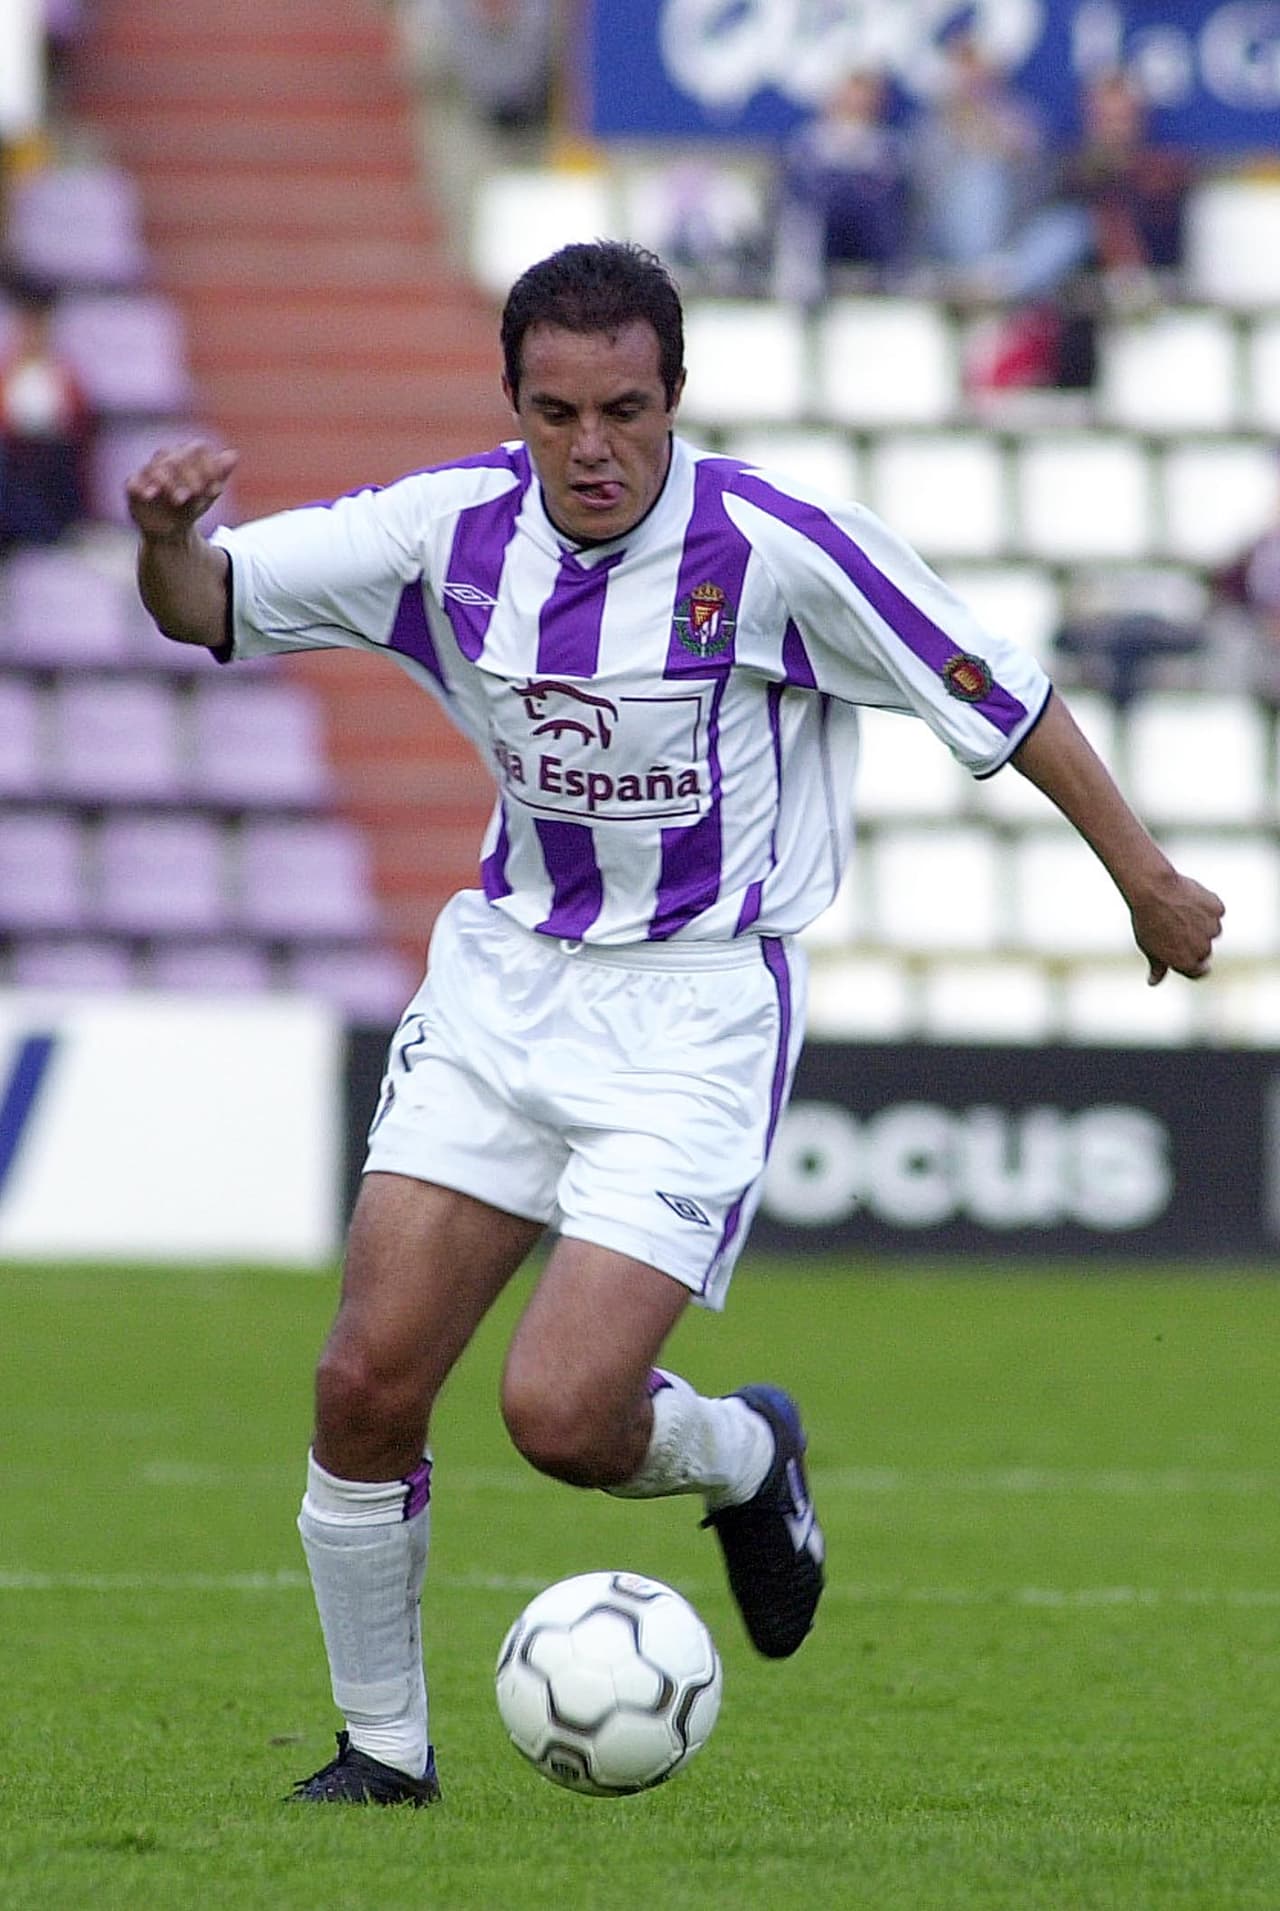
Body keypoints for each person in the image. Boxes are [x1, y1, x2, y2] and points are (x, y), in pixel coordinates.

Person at [125, 241, 1224, 1808]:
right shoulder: (443, 533)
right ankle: (381, 1752)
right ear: (512, 401)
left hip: (697, 1006)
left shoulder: (777, 551)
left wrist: (1150, 881)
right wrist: (168, 543)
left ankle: (748, 1457)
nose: (591, 446)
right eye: (557, 410)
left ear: (676, 398)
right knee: (365, 1384)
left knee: (562, 1416)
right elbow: (208, 605)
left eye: (624, 409)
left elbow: (1005, 695)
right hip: (507, 975)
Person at [771, 67, 911, 304]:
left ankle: (893, 283)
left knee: (874, 203)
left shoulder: (888, 145)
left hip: (869, 238)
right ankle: (802, 285)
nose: (855, 103)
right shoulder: (808, 142)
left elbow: (892, 192)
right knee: (812, 207)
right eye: (850, 95)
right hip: (825, 235)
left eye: (863, 96)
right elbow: (799, 189)